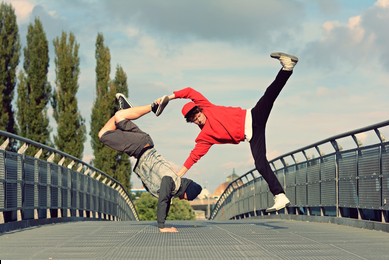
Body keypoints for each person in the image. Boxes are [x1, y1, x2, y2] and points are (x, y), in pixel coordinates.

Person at [157, 52, 298, 212]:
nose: (197, 119)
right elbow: (193, 158)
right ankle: (280, 196)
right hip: (252, 135)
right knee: (260, 164)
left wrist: (169, 97)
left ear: (199, 109)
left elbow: (189, 92)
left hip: (253, 116)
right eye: (193, 120)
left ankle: (288, 67)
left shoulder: (207, 107)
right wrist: (178, 176)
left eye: (196, 114)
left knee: (269, 94)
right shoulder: (205, 137)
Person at [98, 94, 202, 233]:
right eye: (189, 198)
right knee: (104, 134)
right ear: (187, 192)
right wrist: (162, 226)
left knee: (119, 117)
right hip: (139, 147)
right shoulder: (172, 182)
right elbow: (163, 200)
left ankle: (128, 112)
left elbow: (166, 200)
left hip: (143, 144)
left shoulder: (174, 183)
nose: (186, 200)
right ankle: (152, 107)